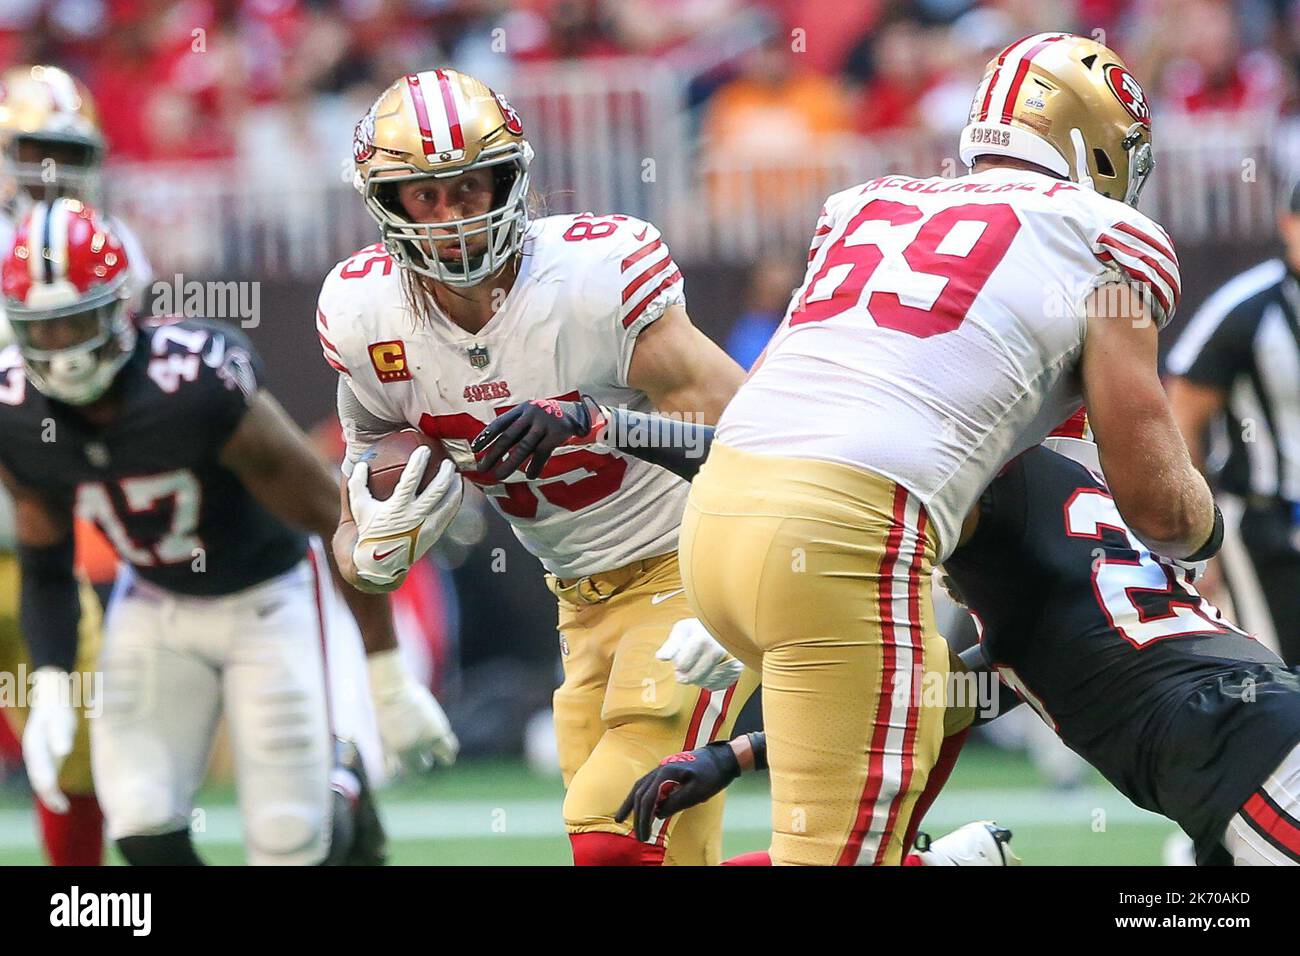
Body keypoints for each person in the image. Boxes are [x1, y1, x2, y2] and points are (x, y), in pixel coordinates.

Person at [573, 33, 1212, 866]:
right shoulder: (1104, 235)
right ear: (1094, 144)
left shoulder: (866, 206)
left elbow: (769, 403)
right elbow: (1156, 499)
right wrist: (1205, 539)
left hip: (717, 524)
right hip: (850, 536)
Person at [318, 69, 757, 866]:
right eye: (425, 195)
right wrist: (373, 557)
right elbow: (352, 517)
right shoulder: (363, 319)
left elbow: (761, 435)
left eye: (469, 187)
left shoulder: (594, 279)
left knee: (607, 837)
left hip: (687, 570)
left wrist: (742, 588)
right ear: (385, 203)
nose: (451, 218)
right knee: (658, 854)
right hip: (577, 603)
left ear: (511, 180)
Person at [0, 198, 456, 864]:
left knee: (289, 844)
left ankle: (344, 792)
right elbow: (44, 562)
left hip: (265, 599)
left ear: (118, 307)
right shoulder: (15, 412)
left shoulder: (195, 384)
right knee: (140, 822)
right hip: (153, 602)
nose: (63, 353)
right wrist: (48, 688)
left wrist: (386, 676)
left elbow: (335, 517)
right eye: (45, 330)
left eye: (76, 323)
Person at [619, 442, 1300, 866]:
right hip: (1236, 760)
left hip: (1242, 756)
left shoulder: (1001, 479)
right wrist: (733, 755)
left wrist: (615, 428)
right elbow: (916, 706)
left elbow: (797, 475)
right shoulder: (1044, 591)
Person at [0, 62, 154, 865]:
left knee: (82, 744)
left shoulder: (114, 248)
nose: (49, 168)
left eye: (65, 148)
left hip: (36, 535)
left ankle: (81, 908)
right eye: (34, 147)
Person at [1166, 180, 1300, 665]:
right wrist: (1201, 542)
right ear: (1287, 224)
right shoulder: (1245, 309)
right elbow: (1180, 423)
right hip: (1267, 526)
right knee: (1282, 675)